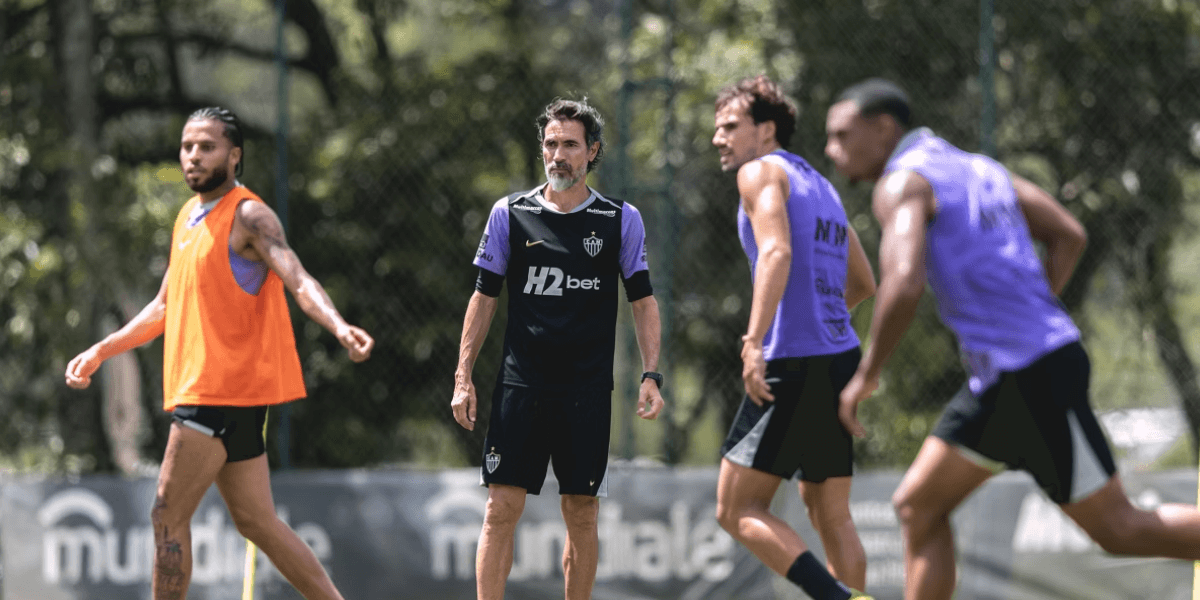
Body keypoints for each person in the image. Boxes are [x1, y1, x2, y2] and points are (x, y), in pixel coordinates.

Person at [827, 78, 1200, 600]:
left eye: (842, 135)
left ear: (884, 128)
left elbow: (905, 279)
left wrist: (866, 374)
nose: (832, 150)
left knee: (1121, 529)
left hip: (1030, 371)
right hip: (1008, 376)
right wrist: (1031, 308)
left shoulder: (902, 182)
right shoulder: (978, 168)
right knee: (918, 506)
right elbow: (1068, 234)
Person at [65, 107, 374, 600]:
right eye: (187, 146)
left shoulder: (249, 215)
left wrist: (337, 325)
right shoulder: (188, 216)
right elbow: (164, 306)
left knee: (167, 511)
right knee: (257, 521)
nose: (193, 156)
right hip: (232, 397)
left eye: (206, 147)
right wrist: (102, 350)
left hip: (215, 392)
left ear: (234, 156)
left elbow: (296, 276)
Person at [450, 97, 665, 600]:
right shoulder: (510, 214)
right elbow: (483, 298)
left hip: (586, 390)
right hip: (520, 386)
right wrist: (463, 376)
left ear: (592, 152)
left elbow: (643, 300)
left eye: (570, 145)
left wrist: (651, 374)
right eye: (551, 144)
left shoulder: (619, 219)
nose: (558, 155)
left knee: (582, 512)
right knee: (500, 508)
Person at [711, 75, 877, 600]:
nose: (719, 137)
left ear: (766, 129)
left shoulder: (759, 172)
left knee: (736, 509)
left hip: (792, 360)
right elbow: (864, 282)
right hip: (838, 357)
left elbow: (777, 253)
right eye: (717, 128)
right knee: (830, 511)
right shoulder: (822, 186)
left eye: (731, 126)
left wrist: (755, 341)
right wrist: (822, 317)